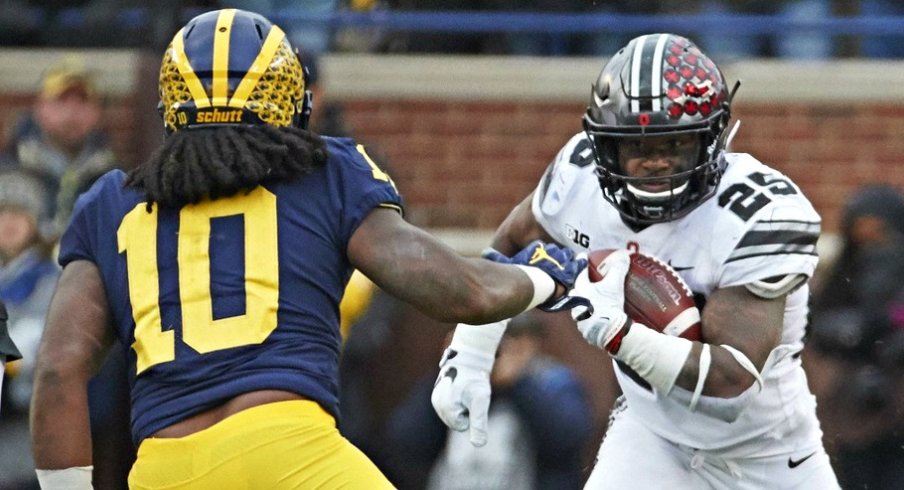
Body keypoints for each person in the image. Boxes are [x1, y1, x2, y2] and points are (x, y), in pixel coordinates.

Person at [27, 8, 585, 489]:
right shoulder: (325, 173)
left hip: (163, 467)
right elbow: (463, 292)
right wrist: (543, 275)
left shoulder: (109, 203)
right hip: (290, 454)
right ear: (287, 98)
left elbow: (56, 371)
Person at [431, 33, 840, 489]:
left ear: (710, 140)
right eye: (638, 147)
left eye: (677, 144)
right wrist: (470, 351)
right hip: (652, 438)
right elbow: (510, 245)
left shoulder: (761, 212)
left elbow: (732, 377)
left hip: (767, 452)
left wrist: (621, 335)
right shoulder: (578, 175)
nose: (657, 163)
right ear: (606, 147)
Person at [386, 312, 593, 489]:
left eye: (510, 337)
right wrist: (448, 376)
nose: (495, 350)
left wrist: (516, 383)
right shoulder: (456, 382)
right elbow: (407, 443)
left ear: (531, 341)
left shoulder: (552, 381)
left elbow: (567, 440)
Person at [806, 184, 904, 489]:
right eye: (863, 234)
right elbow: (814, 329)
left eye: (880, 233)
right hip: (849, 416)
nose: (871, 243)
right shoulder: (839, 277)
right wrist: (854, 331)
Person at [0, 61, 120, 238]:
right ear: (39, 107)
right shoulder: (9, 170)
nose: (72, 111)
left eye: (82, 100)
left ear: (97, 111)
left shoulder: (115, 180)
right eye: (61, 100)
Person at [0, 169, 59, 489]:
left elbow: (37, 338)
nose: (8, 223)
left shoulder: (48, 278)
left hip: (29, 417)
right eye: (2, 214)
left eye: (18, 214)